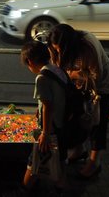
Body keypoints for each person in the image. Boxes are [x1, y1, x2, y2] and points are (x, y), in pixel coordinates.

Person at [47, 23, 109, 180]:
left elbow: (95, 77)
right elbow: (57, 68)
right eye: (55, 49)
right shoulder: (54, 47)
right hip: (76, 86)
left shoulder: (87, 45)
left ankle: (94, 163)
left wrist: (73, 75)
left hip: (100, 88)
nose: (58, 52)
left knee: (97, 123)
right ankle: (79, 150)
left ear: (69, 45)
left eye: (60, 49)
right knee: (76, 118)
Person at [16, 40, 67, 195]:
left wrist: (45, 132)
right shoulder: (57, 70)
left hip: (52, 127)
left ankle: (24, 189)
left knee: (35, 160)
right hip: (62, 123)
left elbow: (48, 106)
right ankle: (60, 188)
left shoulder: (42, 77)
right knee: (58, 159)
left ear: (29, 61)